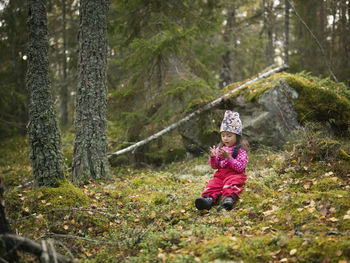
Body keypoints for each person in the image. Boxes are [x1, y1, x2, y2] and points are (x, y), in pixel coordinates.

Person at [195, 110, 249, 211]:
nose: (226, 138)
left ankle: (228, 200)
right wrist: (212, 157)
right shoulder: (220, 148)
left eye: (229, 136)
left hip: (235, 174)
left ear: (237, 136)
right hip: (221, 175)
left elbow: (240, 167)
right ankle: (207, 200)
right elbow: (215, 166)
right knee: (213, 183)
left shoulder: (241, 151)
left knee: (232, 182)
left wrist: (229, 158)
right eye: (223, 135)